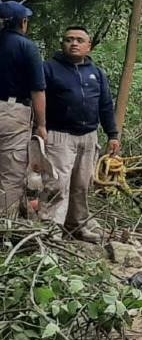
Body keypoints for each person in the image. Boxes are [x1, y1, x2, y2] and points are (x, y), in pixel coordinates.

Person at [42, 26, 118, 242]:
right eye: (68, 39)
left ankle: (77, 226)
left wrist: (112, 134)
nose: (73, 43)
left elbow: (105, 105)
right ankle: (51, 228)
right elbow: (37, 100)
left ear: (89, 46)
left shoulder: (97, 73)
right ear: (62, 44)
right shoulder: (49, 69)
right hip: (59, 135)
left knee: (82, 184)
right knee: (57, 183)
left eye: (79, 40)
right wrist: (38, 129)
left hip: (89, 136)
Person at [0, 1, 46, 214]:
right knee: (11, 171)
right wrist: (41, 125)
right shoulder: (26, 47)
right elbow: (38, 90)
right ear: (23, 22)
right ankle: (4, 226)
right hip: (12, 111)